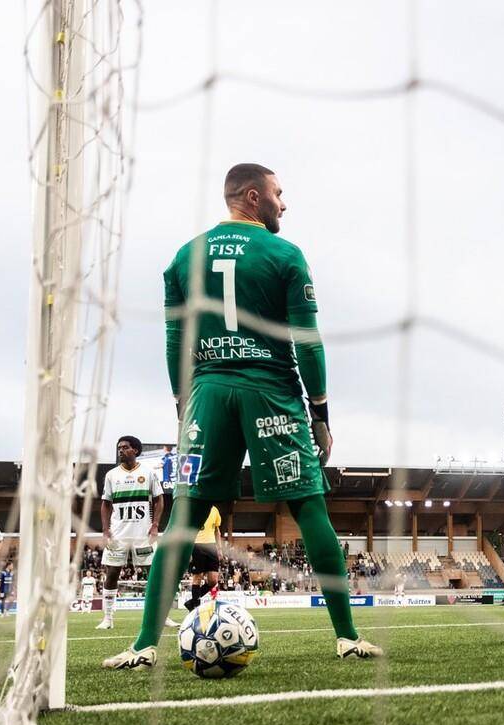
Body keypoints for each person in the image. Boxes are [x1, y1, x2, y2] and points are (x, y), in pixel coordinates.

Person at [104, 164, 381, 670]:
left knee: (184, 519)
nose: (284, 203)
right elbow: (308, 341)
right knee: (309, 509)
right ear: (253, 198)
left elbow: (174, 341)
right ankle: (347, 637)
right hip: (271, 389)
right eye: (279, 194)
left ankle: (144, 644)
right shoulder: (285, 254)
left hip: (207, 393)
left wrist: (182, 400)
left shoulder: (183, 258)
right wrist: (319, 411)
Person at [96, 436, 177, 631]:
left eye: (125, 447)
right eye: (119, 448)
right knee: (112, 573)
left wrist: (156, 525)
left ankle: (161, 616)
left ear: (136, 450)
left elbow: (159, 500)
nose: (121, 451)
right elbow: (106, 504)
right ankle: (108, 618)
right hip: (118, 534)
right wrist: (106, 529)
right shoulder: (111, 475)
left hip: (143, 533)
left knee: (153, 575)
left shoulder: (148, 473)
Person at [185, 505, 223, 611]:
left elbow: (217, 531)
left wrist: (219, 549)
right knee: (198, 577)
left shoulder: (215, 510)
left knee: (213, 580)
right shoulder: (195, 508)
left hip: (211, 547)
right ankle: (195, 607)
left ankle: (192, 602)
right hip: (197, 545)